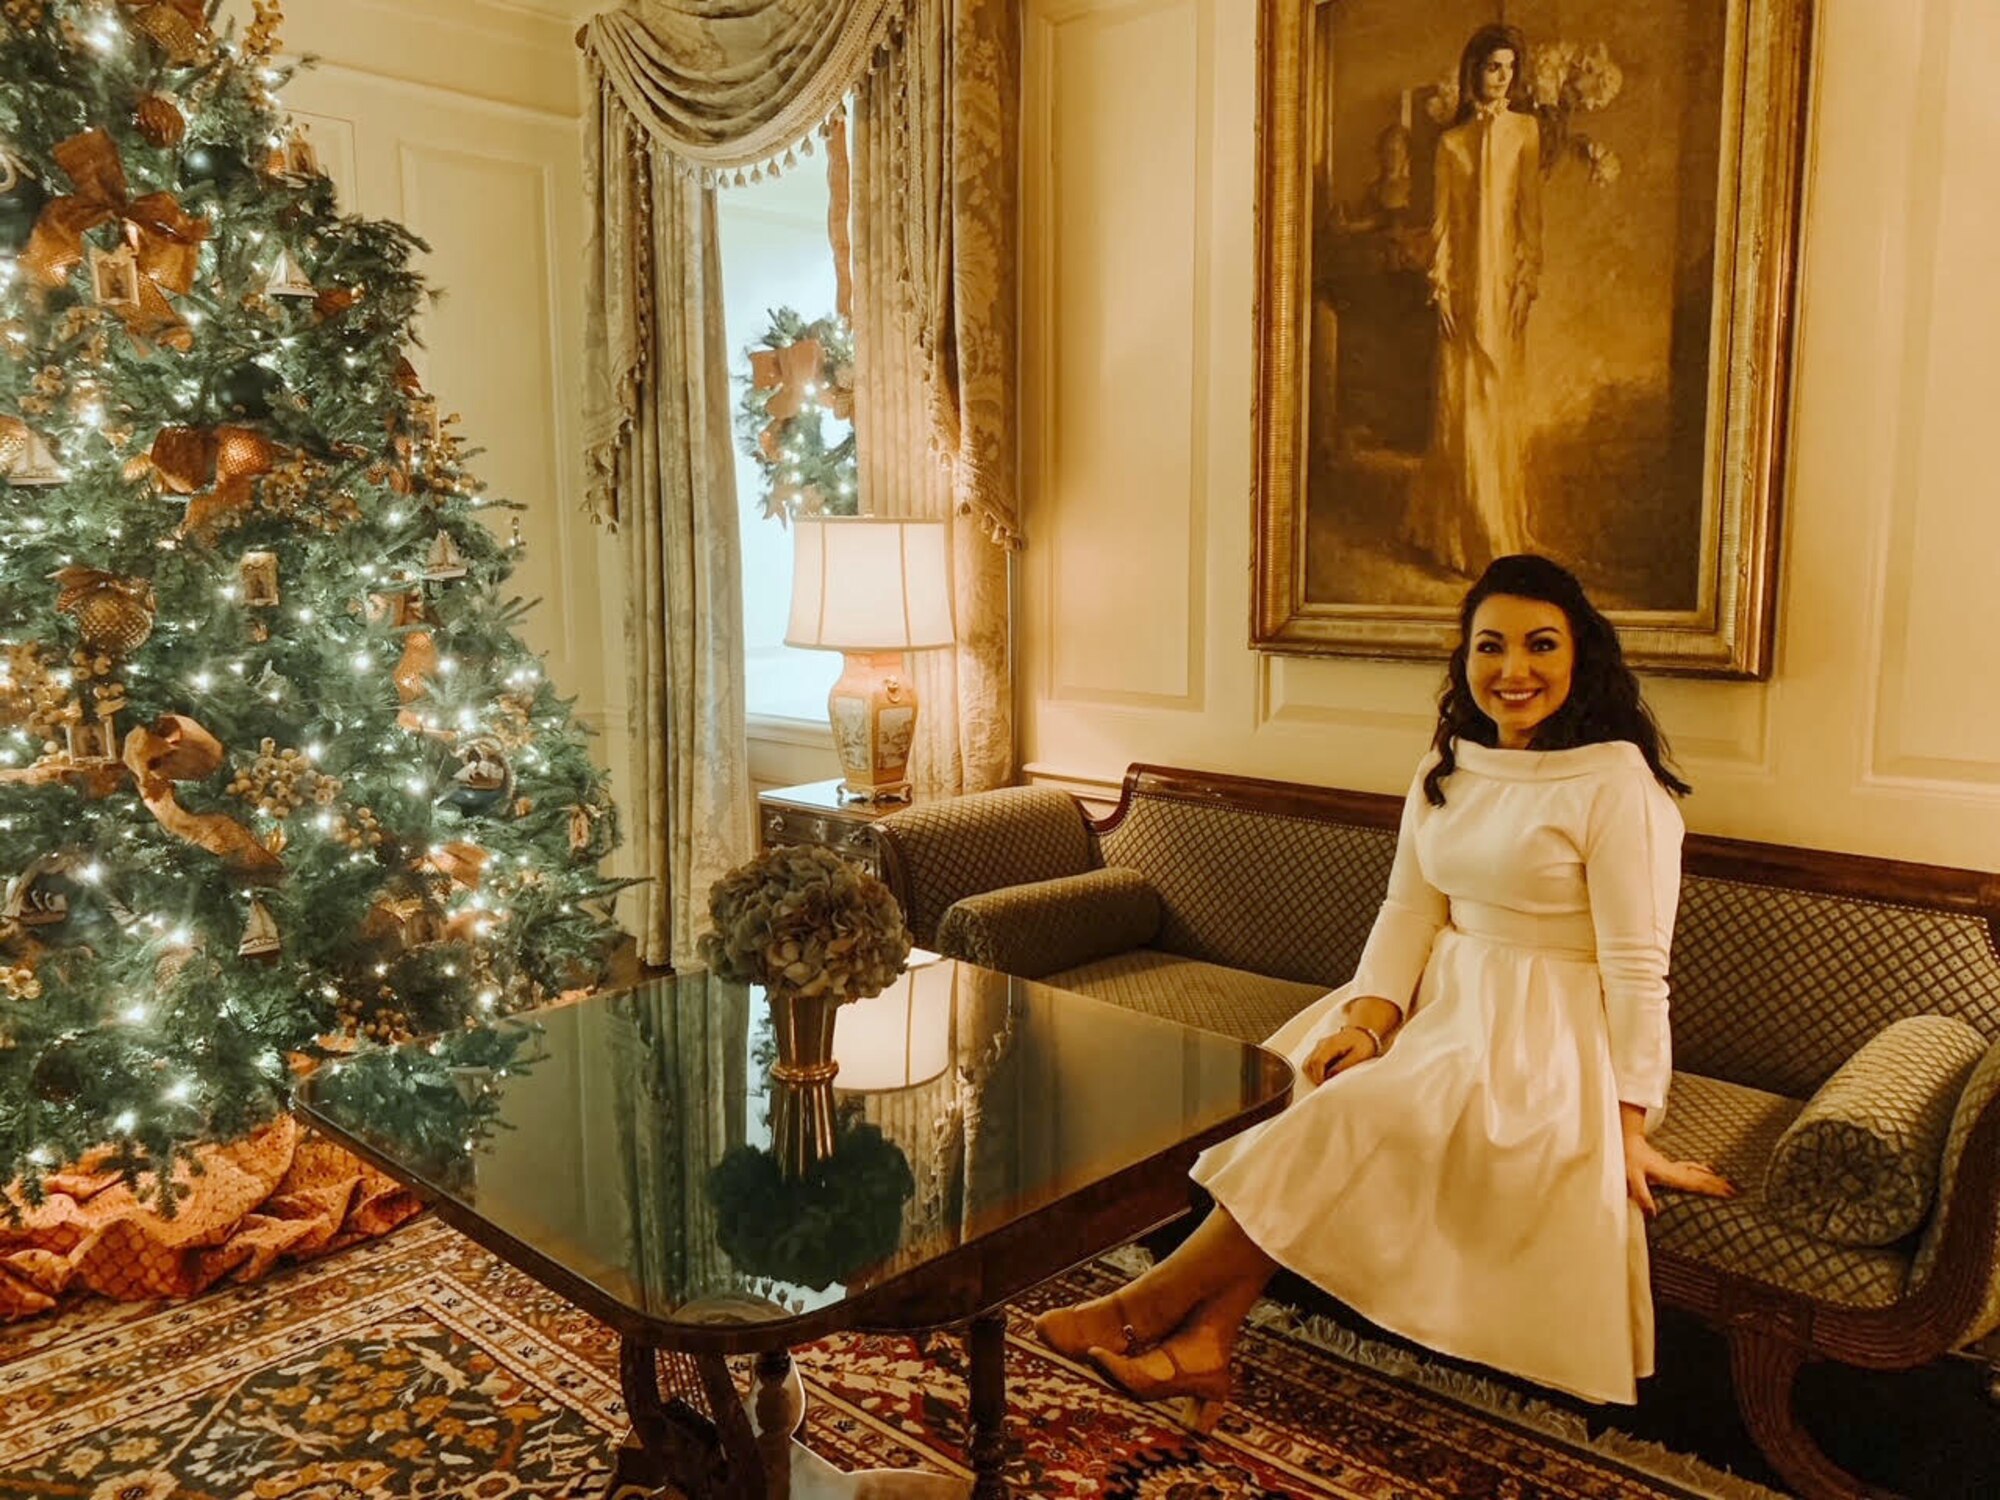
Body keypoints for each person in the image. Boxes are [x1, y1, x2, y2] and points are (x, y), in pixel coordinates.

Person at [1033, 554, 1735, 1425]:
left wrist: (1631, 1122)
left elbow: (1637, 966)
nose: (1513, 670)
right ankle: (1206, 1345)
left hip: (1545, 1029)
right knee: (1311, 1084)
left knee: (1350, 1118)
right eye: (1491, 647)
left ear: (1581, 656)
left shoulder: (1618, 786)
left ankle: (1141, 1308)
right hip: (1439, 998)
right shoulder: (1450, 767)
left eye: (1540, 645)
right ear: (1465, 659)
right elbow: (1408, 909)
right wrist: (1368, 1022)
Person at [1406, 26, 1544, 576]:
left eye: (1510, 67)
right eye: (1493, 66)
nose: (1503, 76)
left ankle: (1500, 534)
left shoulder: (1526, 132)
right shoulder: (1451, 144)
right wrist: (1439, 285)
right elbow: (1441, 223)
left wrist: (1525, 281)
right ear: (1474, 72)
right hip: (1463, 289)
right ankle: (1460, 536)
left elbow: (1529, 216)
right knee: (1459, 408)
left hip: (1502, 286)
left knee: (1496, 407)